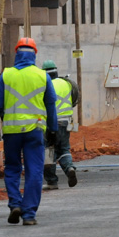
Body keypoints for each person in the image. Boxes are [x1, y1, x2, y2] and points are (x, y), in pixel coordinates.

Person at [0, 38, 58, 226]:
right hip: (35, 131)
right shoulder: (42, 75)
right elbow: (50, 104)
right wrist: (52, 129)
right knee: (34, 171)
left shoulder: (6, 75)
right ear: (34, 55)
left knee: (12, 168)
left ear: (16, 54)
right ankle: (29, 214)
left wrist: (4, 115)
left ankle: (15, 204)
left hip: (11, 131)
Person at [41, 59, 78, 191]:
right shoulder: (66, 83)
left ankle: (52, 181)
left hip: (51, 122)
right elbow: (74, 99)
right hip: (66, 122)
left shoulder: (45, 85)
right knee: (64, 149)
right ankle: (70, 169)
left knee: (48, 150)